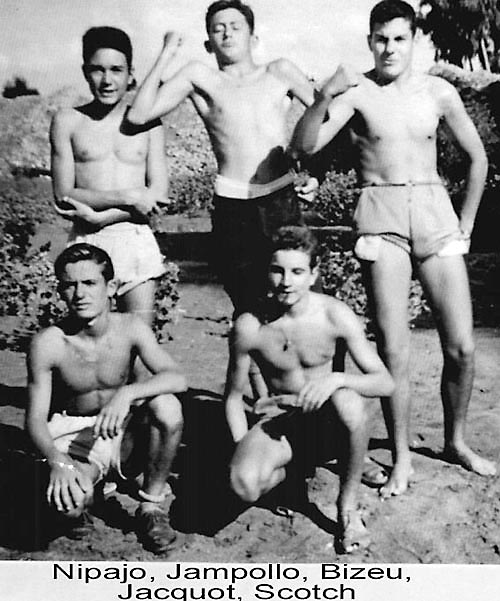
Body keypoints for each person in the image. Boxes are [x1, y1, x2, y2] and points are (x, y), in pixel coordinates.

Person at [293, 0, 497, 498]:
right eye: (381, 39)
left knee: (462, 346)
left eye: (399, 39)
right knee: (393, 349)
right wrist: (324, 95)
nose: (389, 48)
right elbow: (306, 145)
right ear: (370, 41)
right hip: (380, 217)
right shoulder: (356, 93)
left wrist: (466, 223)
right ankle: (402, 458)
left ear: (413, 41)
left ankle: (456, 441)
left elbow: (477, 158)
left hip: (435, 216)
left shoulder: (438, 91)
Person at [127, 0, 319, 317]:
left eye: (235, 27)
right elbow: (138, 115)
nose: (227, 33)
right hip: (234, 207)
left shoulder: (279, 71)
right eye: (218, 29)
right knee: (249, 307)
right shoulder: (200, 77)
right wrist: (166, 54)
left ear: (253, 38)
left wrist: (315, 173)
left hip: (281, 200)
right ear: (208, 43)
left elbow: (329, 118)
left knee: (303, 304)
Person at [224, 226, 394, 553]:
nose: (286, 281)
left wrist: (337, 379)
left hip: (329, 422)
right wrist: (241, 445)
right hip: (282, 422)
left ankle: (347, 509)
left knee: (348, 401)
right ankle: (292, 470)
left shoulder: (334, 315)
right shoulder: (250, 326)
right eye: (277, 270)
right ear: (266, 271)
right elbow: (232, 398)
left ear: (314, 274)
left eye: (297, 272)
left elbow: (385, 382)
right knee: (242, 485)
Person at [25, 243, 187, 554]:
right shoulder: (48, 343)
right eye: (70, 285)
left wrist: (127, 393)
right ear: (60, 291)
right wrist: (58, 461)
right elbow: (34, 420)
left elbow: (177, 378)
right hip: (75, 438)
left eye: (90, 283)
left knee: (167, 406)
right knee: (68, 505)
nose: (80, 294)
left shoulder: (130, 327)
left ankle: (151, 507)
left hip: (121, 430)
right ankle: (90, 493)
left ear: (110, 287)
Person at [50, 26, 168, 326]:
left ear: (130, 74)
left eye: (116, 70)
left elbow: (158, 195)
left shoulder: (149, 124)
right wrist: (128, 196)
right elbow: (64, 193)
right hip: (86, 241)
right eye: (97, 70)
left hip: (134, 238)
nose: (107, 80)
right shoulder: (67, 121)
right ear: (85, 72)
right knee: (88, 338)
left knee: (139, 335)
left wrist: (102, 217)